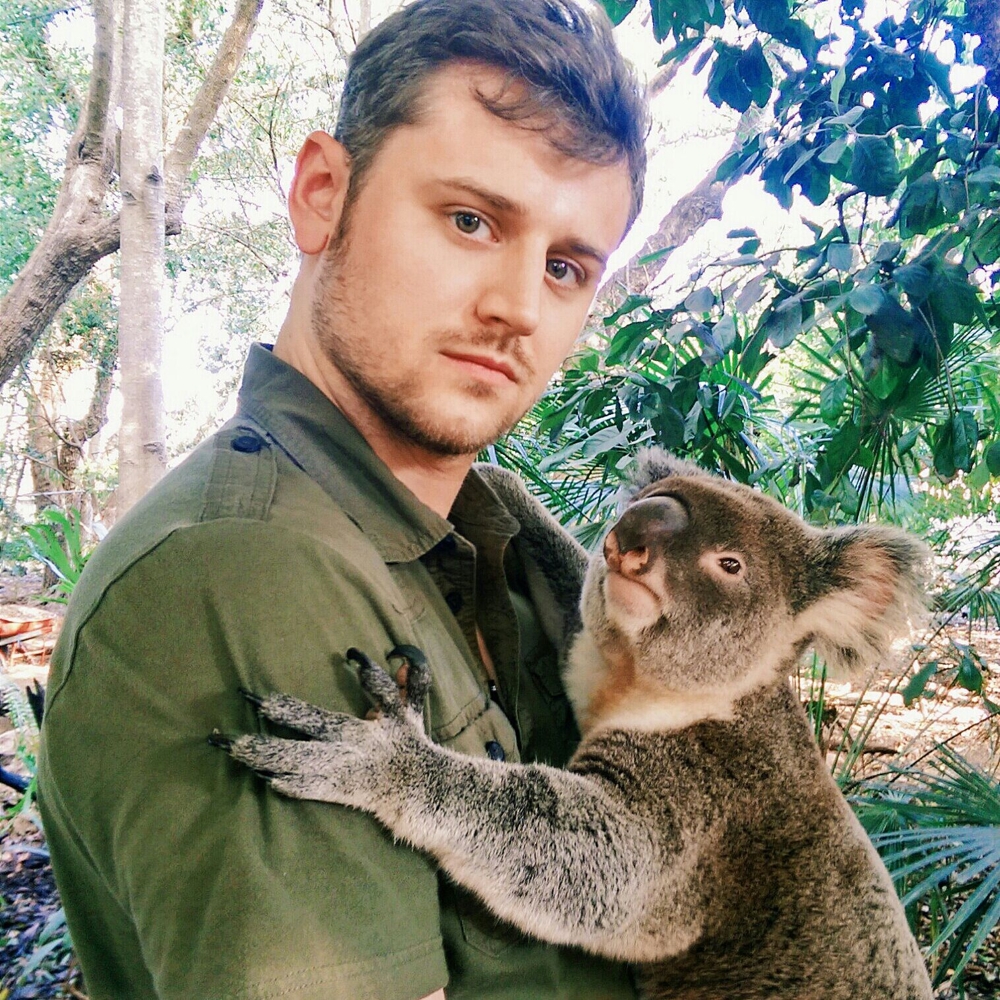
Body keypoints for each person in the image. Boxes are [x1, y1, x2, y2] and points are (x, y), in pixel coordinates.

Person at [37, 0, 649, 997]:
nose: (518, 308)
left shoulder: (504, 546)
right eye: (469, 219)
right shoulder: (243, 571)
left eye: (566, 266)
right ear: (322, 192)